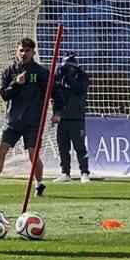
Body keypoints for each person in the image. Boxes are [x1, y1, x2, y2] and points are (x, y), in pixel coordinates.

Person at [0, 36, 49, 199]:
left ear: (33, 53)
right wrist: (17, 82)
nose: (24, 54)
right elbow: (4, 95)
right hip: (13, 121)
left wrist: (56, 112)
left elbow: (52, 93)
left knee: (32, 154)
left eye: (27, 51)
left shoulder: (41, 73)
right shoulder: (9, 71)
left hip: (33, 122)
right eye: (21, 50)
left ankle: (39, 184)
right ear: (17, 51)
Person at [52, 53, 91, 183]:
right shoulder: (59, 76)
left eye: (71, 67)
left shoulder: (82, 77)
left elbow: (79, 89)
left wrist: (67, 77)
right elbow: (55, 95)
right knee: (63, 147)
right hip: (63, 118)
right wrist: (56, 113)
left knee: (80, 147)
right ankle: (65, 172)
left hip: (77, 118)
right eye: (66, 67)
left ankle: (84, 172)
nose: (69, 69)